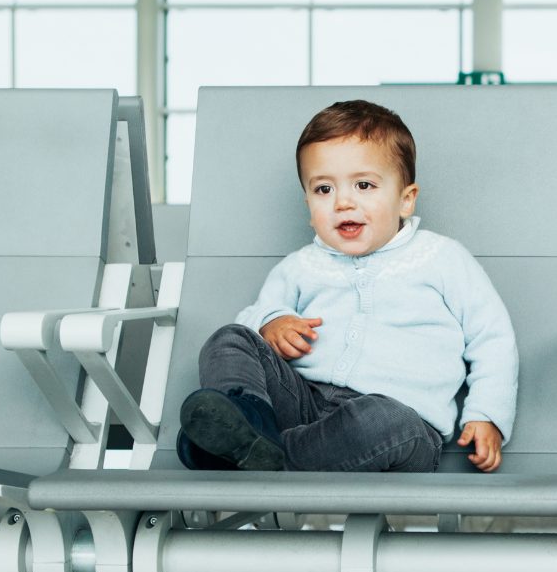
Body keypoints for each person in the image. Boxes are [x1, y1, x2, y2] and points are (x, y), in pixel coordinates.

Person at [176, 100, 517, 474]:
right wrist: (273, 321)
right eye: (323, 189)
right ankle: (250, 422)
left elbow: (493, 339)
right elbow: (254, 317)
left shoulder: (443, 259)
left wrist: (487, 415)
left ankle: (260, 455)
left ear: (405, 199)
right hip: (304, 404)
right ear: (308, 203)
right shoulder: (301, 266)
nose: (343, 202)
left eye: (364, 185)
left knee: (380, 418)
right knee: (230, 338)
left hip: (401, 423)